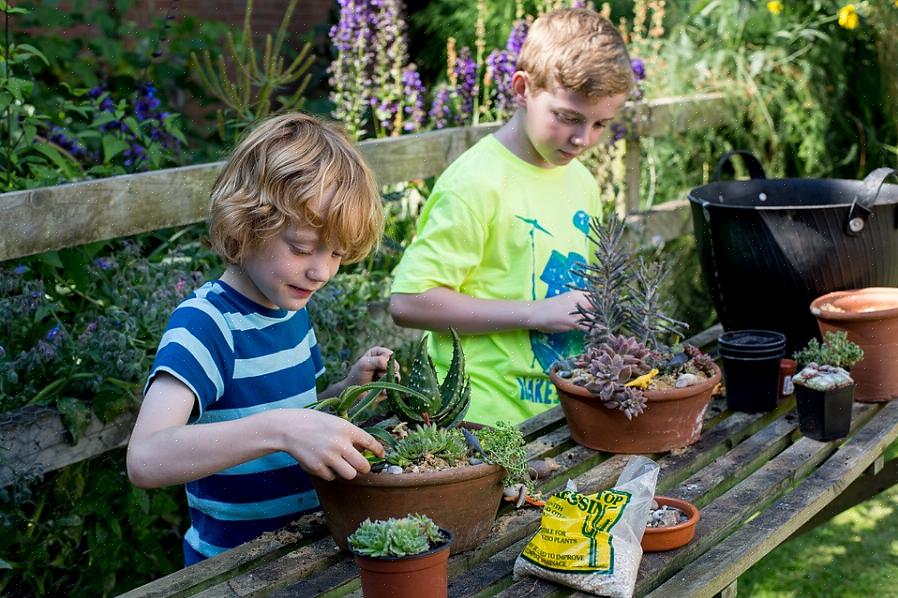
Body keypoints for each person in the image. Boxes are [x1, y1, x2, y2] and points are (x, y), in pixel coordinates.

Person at [127, 113, 390, 566]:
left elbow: (297, 415)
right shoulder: (206, 325)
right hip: (232, 570)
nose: (321, 271)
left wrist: (344, 392)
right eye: (303, 247)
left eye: (338, 254)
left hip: (305, 554)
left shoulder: (291, 309)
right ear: (245, 223)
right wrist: (281, 430)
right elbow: (146, 458)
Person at [389, 8, 634, 426]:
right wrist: (535, 313)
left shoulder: (582, 181)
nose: (582, 139)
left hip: (563, 410)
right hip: (480, 421)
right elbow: (409, 302)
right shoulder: (475, 183)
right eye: (568, 117)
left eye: (600, 124)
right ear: (522, 88)